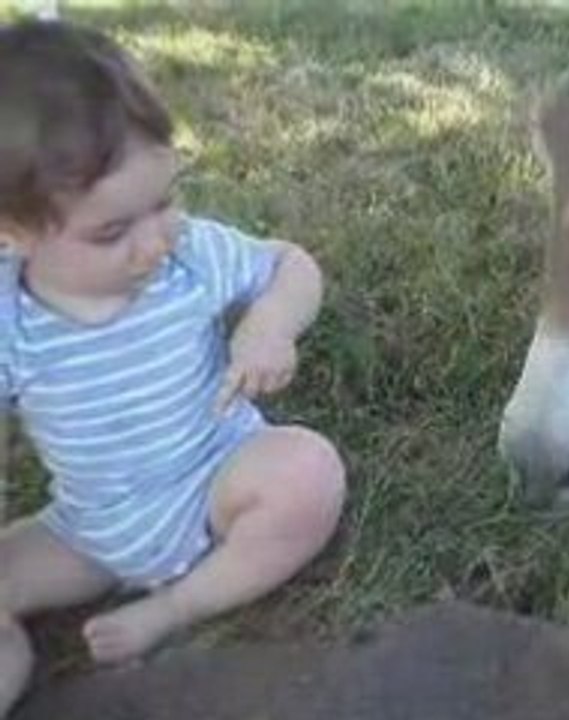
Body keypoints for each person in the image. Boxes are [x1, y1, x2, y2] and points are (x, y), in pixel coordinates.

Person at [0, 19, 346, 717]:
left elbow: (292, 265)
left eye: (163, 201)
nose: (153, 238)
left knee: (308, 473)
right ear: (15, 234)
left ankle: (177, 605)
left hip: (218, 477)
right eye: (111, 231)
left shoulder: (190, 258)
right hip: (90, 529)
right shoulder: (11, 321)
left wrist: (269, 325)